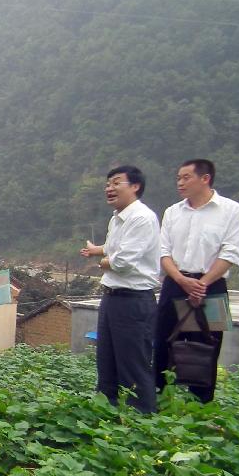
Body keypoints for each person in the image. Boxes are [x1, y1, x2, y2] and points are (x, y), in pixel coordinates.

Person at [154, 159, 239, 403]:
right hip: (175, 284)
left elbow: (231, 253)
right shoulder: (173, 212)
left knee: (208, 346)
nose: (180, 183)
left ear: (205, 178)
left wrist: (202, 283)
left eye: (186, 177)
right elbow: (163, 252)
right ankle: (159, 401)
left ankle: (200, 405)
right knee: (164, 342)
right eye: (178, 178)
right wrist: (182, 280)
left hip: (213, 287)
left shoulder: (232, 211)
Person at [80, 166, 160, 413]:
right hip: (112, 297)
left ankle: (141, 420)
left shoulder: (141, 218)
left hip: (133, 301)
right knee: (107, 362)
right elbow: (116, 249)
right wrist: (100, 251)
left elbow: (123, 263)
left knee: (133, 365)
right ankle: (107, 416)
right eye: (107, 184)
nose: (109, 188)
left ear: (135, 186)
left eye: (116, 183)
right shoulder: (117, 218)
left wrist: (101, 261)